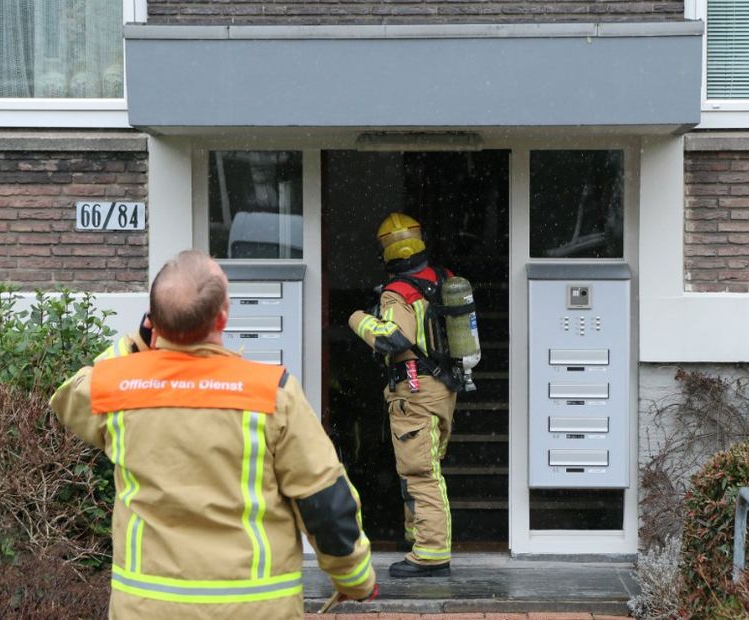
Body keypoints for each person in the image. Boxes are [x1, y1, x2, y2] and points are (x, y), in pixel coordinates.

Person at [51, 249, 376, 619]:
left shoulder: (121, 388)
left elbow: (69, 397)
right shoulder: (273, 392)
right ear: (223, 316)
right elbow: (323, 501)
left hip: (148, 609)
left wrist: (134, 345)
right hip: (254, 607)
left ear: (153, 321)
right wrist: (354, 579)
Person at [348, 213, 458, 578]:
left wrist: (357, 319)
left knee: (419, 473)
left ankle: (430, 553)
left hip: (415, 392)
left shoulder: (399, 292)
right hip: (442, 388)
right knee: (425, 469)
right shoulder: (444, 279)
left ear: (386, 251)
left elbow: (394, 339)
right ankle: (417, 537)